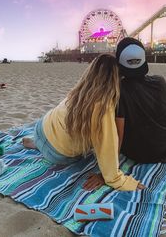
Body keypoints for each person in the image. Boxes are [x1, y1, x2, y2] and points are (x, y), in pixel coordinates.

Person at [23, 54, 144, 191]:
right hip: (58, 156)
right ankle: (43, 147)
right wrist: (116, 179)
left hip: (41, 128)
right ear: (115, 78)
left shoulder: (79, 91)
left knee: (72, 128)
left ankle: (39, 144)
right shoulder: (103, 106)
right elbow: (107, 145)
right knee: (83, 154)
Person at [115, 37, 166, 164]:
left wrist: (110, 168)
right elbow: (165, 116)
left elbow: (119, 133)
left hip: (137, 153)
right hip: (164, 147)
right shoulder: (160, 82)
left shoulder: (119, 90)